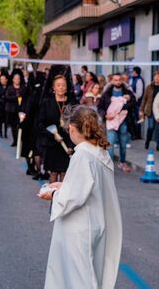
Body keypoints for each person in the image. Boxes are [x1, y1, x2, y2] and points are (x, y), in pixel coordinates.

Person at [39, 106, 122, 289]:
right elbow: (90, 186)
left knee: (78, 279)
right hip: (97, 222)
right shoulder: (100, 152)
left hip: (80, 227)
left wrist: (53, 193)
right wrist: (63, 186)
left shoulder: (82, 155)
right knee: (91, 274)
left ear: (72, 129)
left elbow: (73, 198)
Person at [39, 75, 75, 183]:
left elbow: (77, 124)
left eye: (63, 85)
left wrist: (72, 145)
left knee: (65, 173)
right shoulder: (47, 102)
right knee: (53, 173)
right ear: (53, 87)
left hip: (67, 142)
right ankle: (53, 198)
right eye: (58, 85)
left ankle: (63, 199)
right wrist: (53, 135)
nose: (61, 88)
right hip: (52, 143)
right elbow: (40, 124)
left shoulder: (71, 103)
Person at [98, 73, 136, 172]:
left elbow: (133, 103)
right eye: (115, 80)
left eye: (119, 80)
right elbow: (100, 107)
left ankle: (122, 162)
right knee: (110, 144)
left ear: (122, 80)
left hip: (123, 122)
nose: (117, 82)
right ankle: (110, 166)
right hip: (110, 121)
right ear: (112, 81)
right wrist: (104, 115)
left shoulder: (127, 92)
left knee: (123, 145)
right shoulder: (107, 93)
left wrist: (122, 106)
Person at [140, 70, 159, 151]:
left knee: (158, 128)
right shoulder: (149, 87)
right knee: (151, 127)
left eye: (158, 77)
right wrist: (141, 110)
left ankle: (158, 145)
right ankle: (147, 141)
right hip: (150, 110)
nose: (156, 78)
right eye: (155, 76)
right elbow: (144, 99)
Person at [5, 71, 26, 147]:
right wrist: (16, 98)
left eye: (18, 79)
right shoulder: (10, 87)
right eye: (16, 79)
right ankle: (15, 141)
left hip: (20, 110)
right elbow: (7, 97)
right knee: (13, 127)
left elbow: (25, 97)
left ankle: (20, 140)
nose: (17, 80)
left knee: (20, 126)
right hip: (11, 110)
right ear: (13, 80)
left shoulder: (23, 88)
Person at [129, 66, 145, 139]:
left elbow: (139, 94)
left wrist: (132, 93)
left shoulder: (139, 80)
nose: (132, 72)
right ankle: (134, 134)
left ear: (135, 72)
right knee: (133, 119)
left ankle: (137, 135)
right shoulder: (133, 79)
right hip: (133, 103)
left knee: (137, 119)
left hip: (137, 103)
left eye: (133, 71)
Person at [0, 74, 8, 138]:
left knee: (6, 121)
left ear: (6, 80)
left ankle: (5, 133)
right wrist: (2, 100)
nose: (2, 80)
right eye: (1, 79)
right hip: (0, 106)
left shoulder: (8, 87)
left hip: (6, 107)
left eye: (3, 79)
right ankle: (1, 132)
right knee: (0, 120)